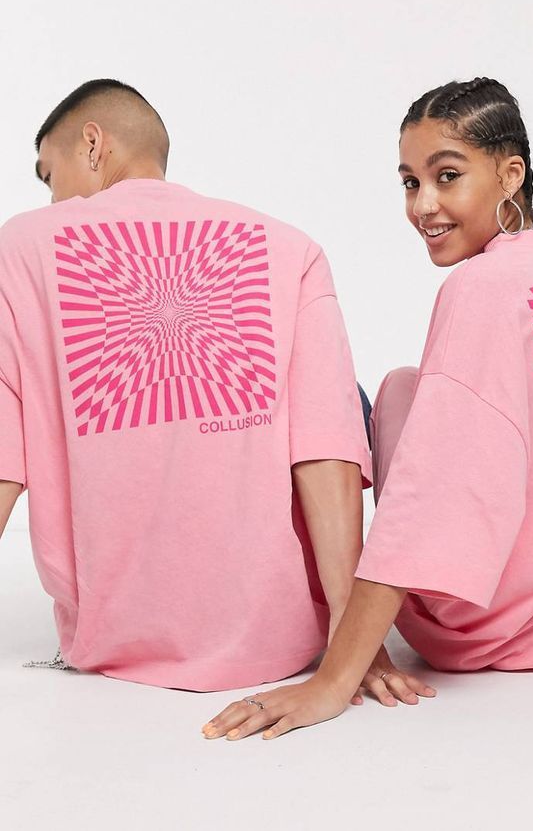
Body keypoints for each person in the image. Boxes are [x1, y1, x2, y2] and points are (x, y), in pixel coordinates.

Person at [202, 76, 533, 741]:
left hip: (498, 628)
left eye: (446, 176)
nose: (423, 205)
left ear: (509, 174)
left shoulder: (480, 289)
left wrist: (332, 679)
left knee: (398, 390)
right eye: (409, 183)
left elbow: (428, 496)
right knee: (428, 390)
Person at [0, 77, 418, 694]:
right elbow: (326, 445)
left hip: (112, 642)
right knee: (334, 394)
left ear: (92, 145)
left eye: (47, 173)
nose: (51, 193)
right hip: (281, 643)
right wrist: (350, 633)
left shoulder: (18, 249)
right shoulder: (292, 247)